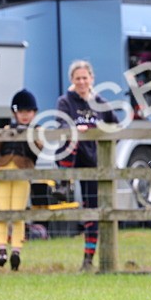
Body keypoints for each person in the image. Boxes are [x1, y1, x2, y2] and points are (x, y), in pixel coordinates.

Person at [57, 60, 118, 271]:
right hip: (72, 159)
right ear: (72, 81)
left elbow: (115, 126)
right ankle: (64, 183)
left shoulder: (100, 102)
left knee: (93, 212)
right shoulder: (65, 101)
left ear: (91, 79)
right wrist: (75, 129)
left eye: (85, 78)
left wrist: (97, 131)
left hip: (94, 163)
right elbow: (62, 124)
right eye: (77, 78)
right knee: (70, 138)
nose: (82, 82)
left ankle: (88, 259)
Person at [0, 90, 40, 271]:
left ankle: (16, 249)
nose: (25, 115)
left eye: (29, 112)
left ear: (34, 113)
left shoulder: (37, 130)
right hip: (2, 171)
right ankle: (1, 248)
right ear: (15, 113)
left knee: (18, 212)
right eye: (22, 112)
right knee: (2, 211)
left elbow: (39, 148)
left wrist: (27, 133)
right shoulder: (7, 129)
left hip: (22, 173)